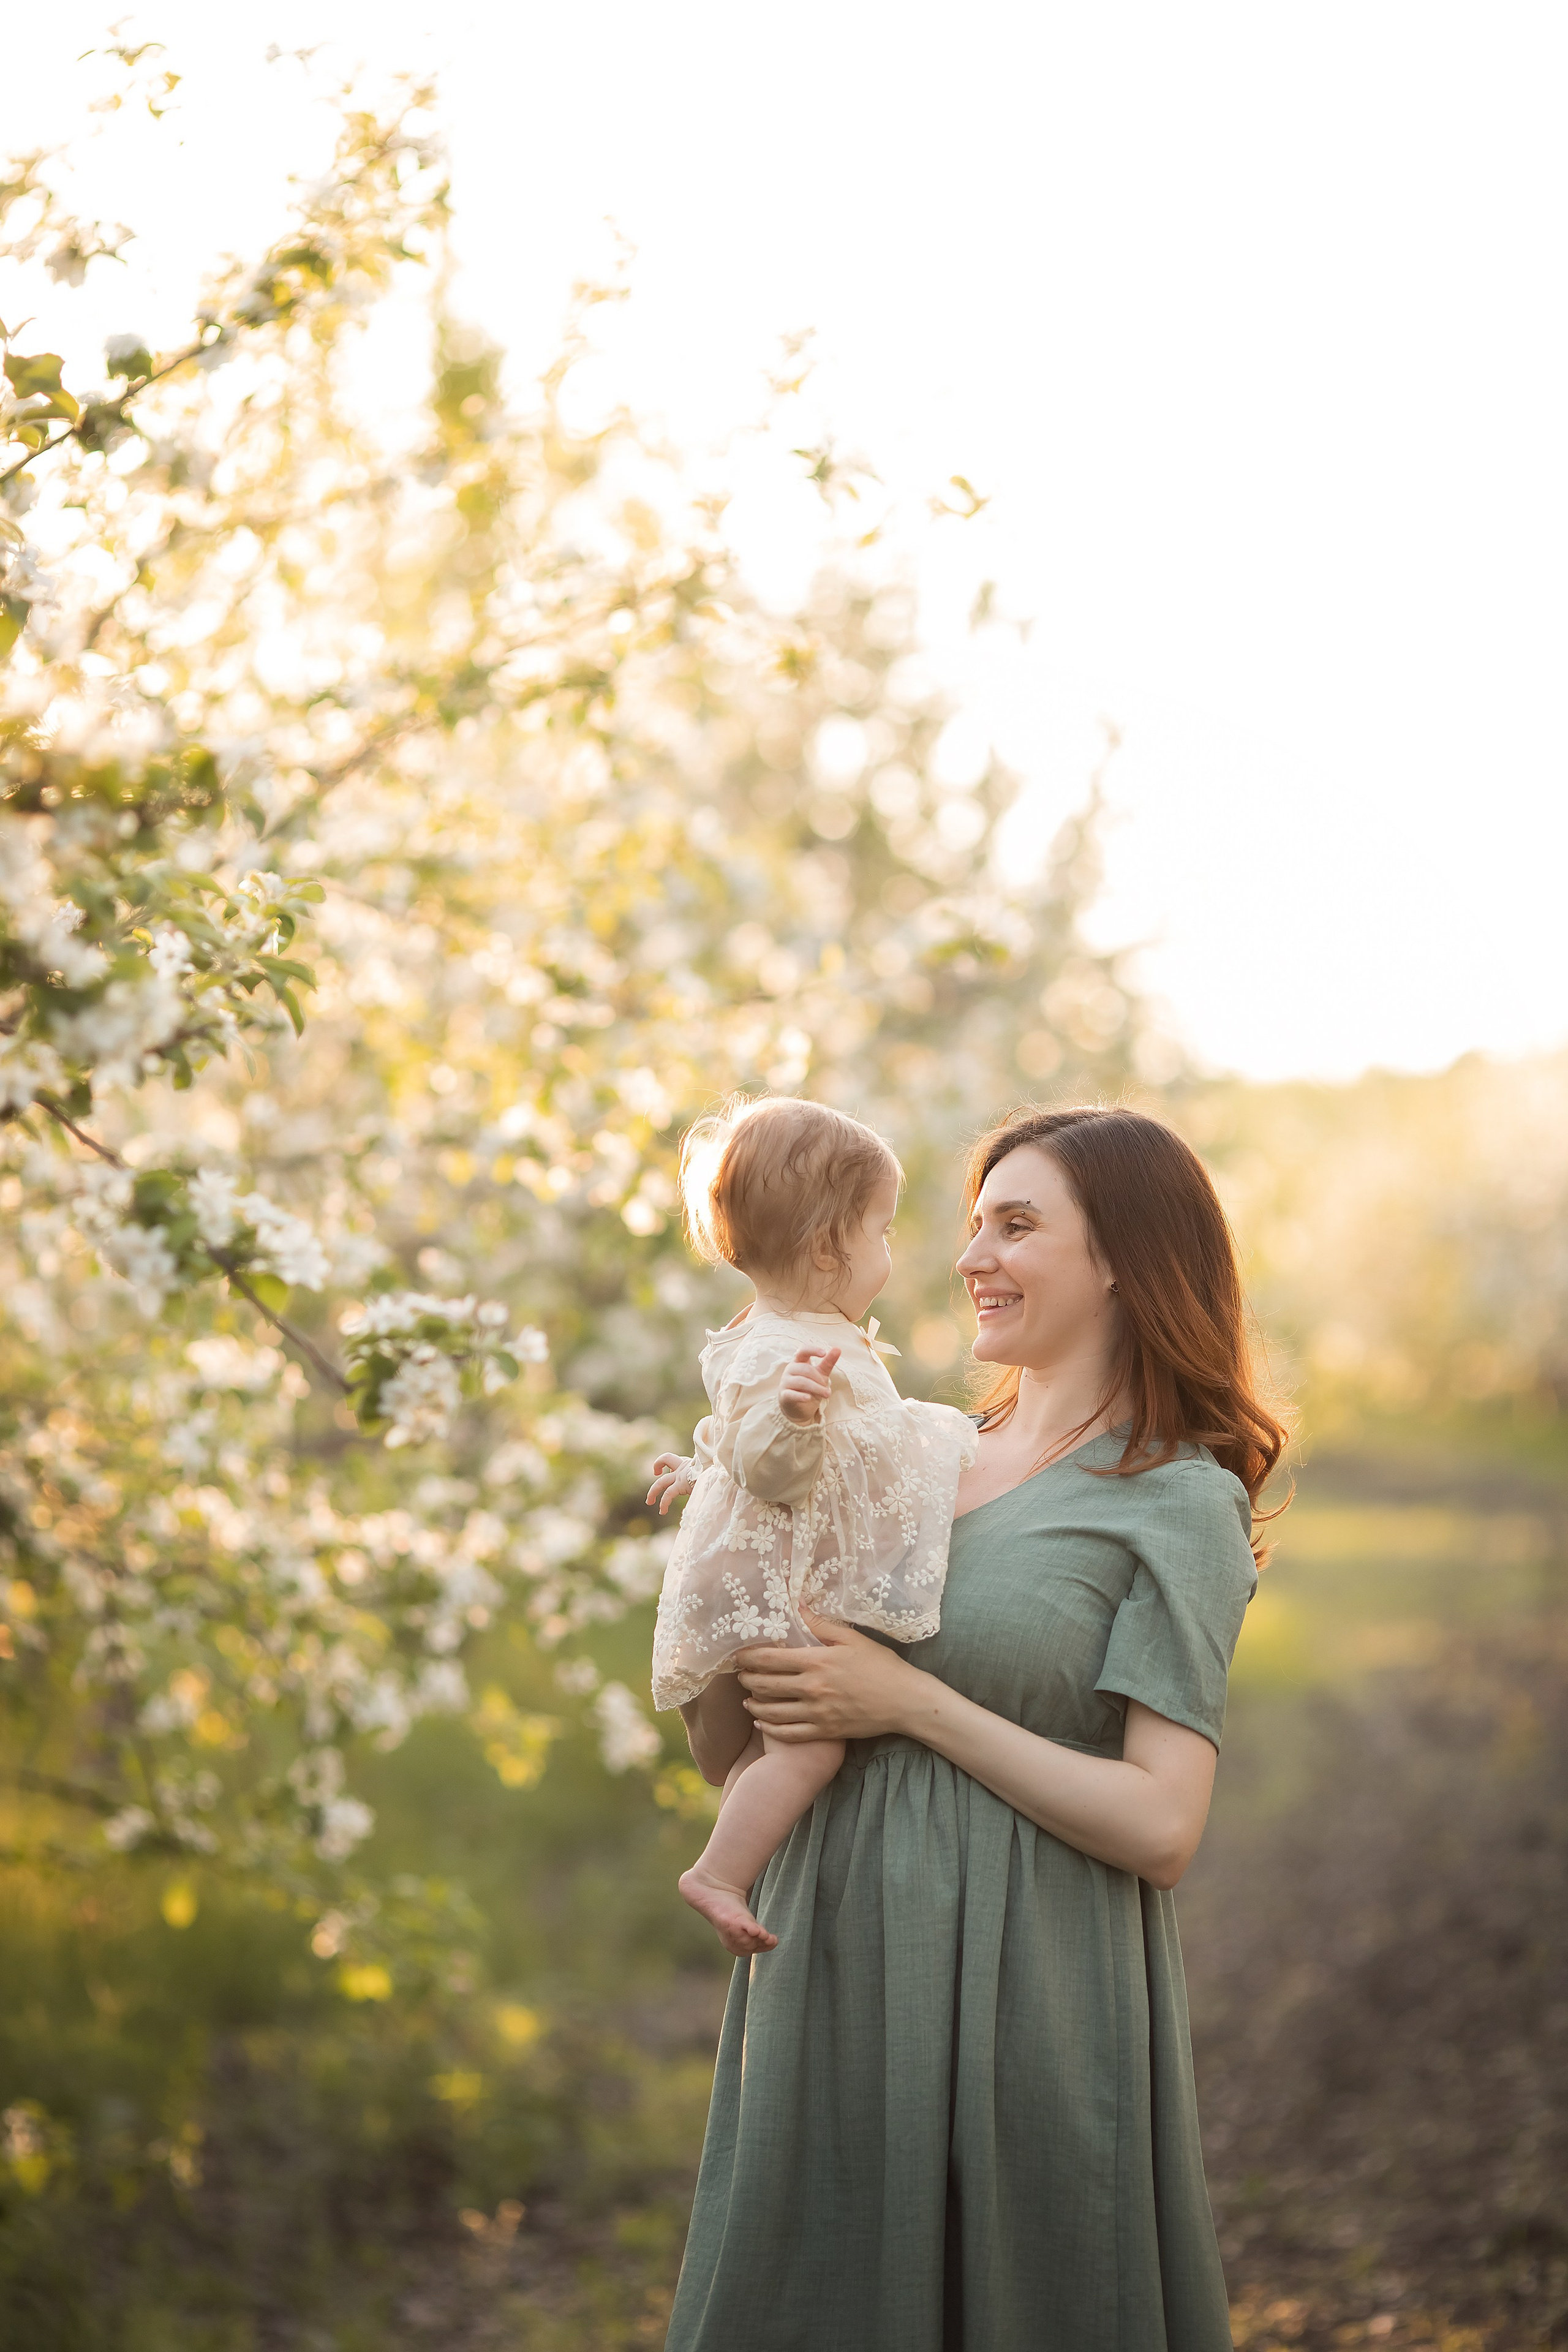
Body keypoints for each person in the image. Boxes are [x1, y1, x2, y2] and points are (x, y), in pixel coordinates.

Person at [662, 1102, 1288, 2352]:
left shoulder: (1174, 1499)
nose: (968, 1258)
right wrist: (716, 1548)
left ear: (1121, 1258)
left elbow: (1162, 1828)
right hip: (827, 1970)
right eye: (970, 1225)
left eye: (1016, 1226)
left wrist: (911, 1706)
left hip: (1031, 1988)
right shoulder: (901, 1452)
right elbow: (731, 1751)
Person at [646, 1094, 978, 1958]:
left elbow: (736, 1445)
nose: (889, 1250)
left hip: (764, 1568)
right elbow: (770, 1467)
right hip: (775, 1586)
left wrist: (705, 1467)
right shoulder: (786, 1352)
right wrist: (794, 1422)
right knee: (812, 1747)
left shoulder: (783, 1333)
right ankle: (717, 1875)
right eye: (882, 1230)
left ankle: (729, 1860)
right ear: (832, 1246)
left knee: (769, 1747)